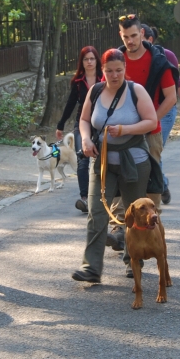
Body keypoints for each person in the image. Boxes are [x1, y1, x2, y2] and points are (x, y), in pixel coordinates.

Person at [71, 48, 158, 284]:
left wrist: (124, 130)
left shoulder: (135, 91)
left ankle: (134, 260)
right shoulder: (96, 91)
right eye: (109, 71)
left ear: (125, 69)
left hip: (134, 162)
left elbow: (152, 121)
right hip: (102, 162)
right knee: (96, 212)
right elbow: (84, 120)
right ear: (103, 71)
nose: (114, 75)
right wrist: (87, 139)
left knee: (134, 213)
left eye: (119, 70)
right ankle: (91, 267)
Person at [117, 14, 177, 210]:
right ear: (120, 35)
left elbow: (171, 97)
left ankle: (153, 227)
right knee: (122, 178)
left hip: (151, 133)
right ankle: (121, 229)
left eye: (134, 35)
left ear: (142, 33)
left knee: (151, 181)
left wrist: (152, 120)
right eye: (126, 37)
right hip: (122, 132)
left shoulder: (158, 60)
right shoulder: (116, 61)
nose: (130, 41)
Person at [142, 24, 180, 205]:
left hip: (166, 109)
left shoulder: (166, 55)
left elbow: (177, 83)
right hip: (144, 112)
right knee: (145, 151)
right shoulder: (132, 58)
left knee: (155, 149)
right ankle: (161, 184)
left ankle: (158, 186)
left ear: (149, 39)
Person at [56, 45, 103, 213]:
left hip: (101, 123)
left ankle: (103, 196)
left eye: (92, 59)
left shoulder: (104, 78)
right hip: (82, 124)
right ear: (81, 62)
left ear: (96, 60)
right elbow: (70, 103)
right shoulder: (77, 82)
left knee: (102, 158)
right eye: (86, 59)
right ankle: (85, 198)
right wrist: (61, 124)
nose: (89, 62)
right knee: (82, 159)